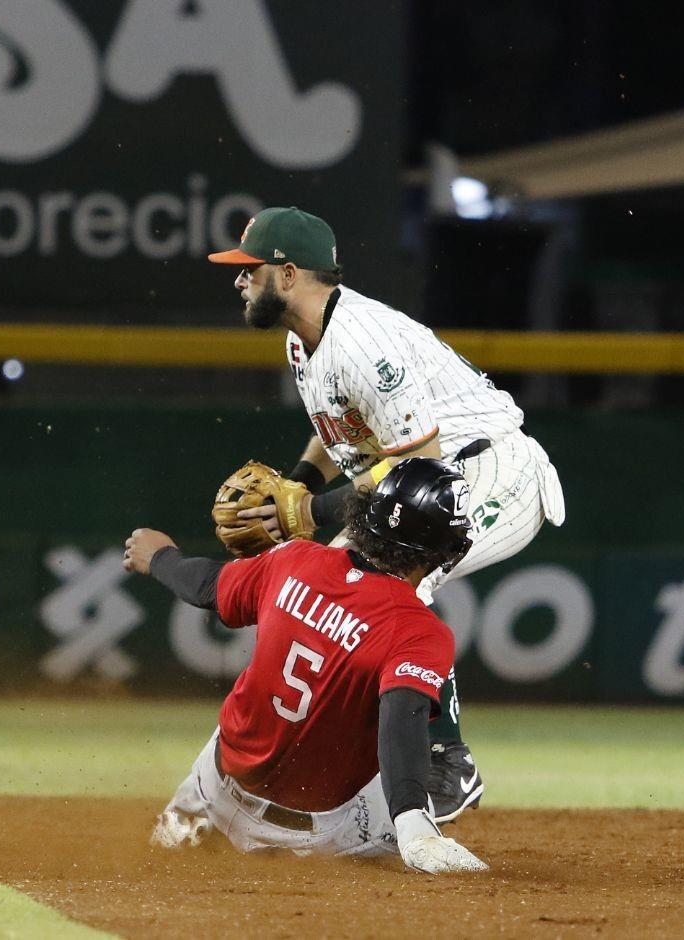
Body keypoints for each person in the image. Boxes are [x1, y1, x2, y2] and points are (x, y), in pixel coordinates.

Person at [206, 206, 566, 822]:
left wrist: (310, 510)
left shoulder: (362, 344)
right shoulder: (305, 338)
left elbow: (419, 461)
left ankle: (448, 756)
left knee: (395, 579)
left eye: (251, 269)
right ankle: (322, 762)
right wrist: (296, 486)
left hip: (490, 470)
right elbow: (338, 430)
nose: (239, 280)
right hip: (418, 482)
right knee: (322, 585)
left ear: (288, 274)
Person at [123, 458, 488, 873]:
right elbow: (402, 723)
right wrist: (413, 823)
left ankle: (186, 822)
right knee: (411, 802)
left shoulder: (294, 559)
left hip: (213, 788)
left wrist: (160, 557)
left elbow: (208, 586)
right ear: (446, 550)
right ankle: (427, 793)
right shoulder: (420, 631)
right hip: (313, 834)